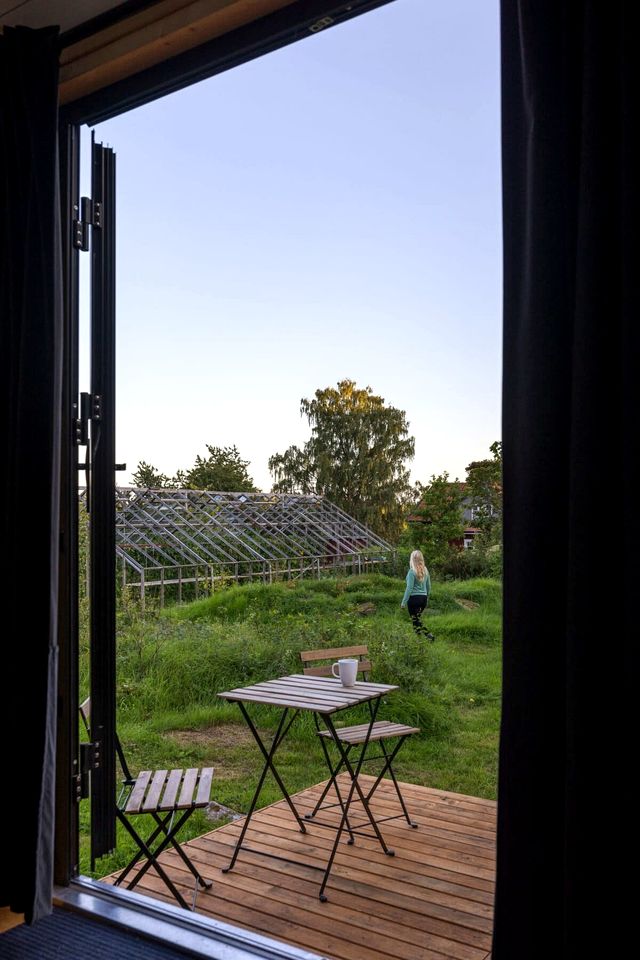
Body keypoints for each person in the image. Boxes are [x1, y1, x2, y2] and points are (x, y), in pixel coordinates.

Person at [400, 549, 434, 640]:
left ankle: (428, 635)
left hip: (414, 600)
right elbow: (429, 586)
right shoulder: (425, 570)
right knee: (417, 619)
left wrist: (403, 602)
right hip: (423, 599)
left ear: (412, 559)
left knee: (415, 620)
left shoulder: (411, 572)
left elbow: (409, 588)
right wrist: (427, 598)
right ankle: (420, 640)